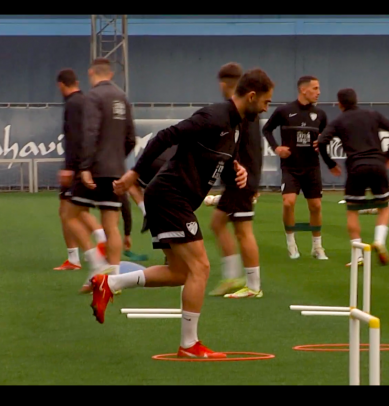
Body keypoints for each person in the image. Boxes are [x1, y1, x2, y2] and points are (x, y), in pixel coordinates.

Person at [91, 68, 275, 358]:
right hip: (169, 195)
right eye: (266, 101)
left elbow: (221, 156)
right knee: (200, 268)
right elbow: (165, 136)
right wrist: (135, 172)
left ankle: (110, 283)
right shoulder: (214, 116)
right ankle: (189, 345)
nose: (267, 107)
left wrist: (236, 169)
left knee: (180, 272)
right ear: (252, 96)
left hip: (175, 199)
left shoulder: (236, 125)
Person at [64, 58, 136, 292]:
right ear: (112, 74)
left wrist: (85, 167)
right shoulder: (123, 97)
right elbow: (131, 138)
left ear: (91, 72)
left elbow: (90, 133)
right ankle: (112, 281)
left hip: (95, 169)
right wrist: (117, 160)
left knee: (70, 214)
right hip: (115, 169)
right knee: (111, 225)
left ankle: (96, 266)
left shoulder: (93, 97)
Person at [316, 88, 389, 265]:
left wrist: (330, 164)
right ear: (357, 99)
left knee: (352, 211)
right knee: (384, 207)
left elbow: (322, 141)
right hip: (378, 164)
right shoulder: (372, 114)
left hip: (356, 167)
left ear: (340, 104)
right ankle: (379, 241)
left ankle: (358, 255)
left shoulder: (339, 121)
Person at [208, 62, 263, 299]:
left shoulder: (241, 111)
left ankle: (253, 286)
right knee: (217, 223)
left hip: (241, 179)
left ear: (224, 84)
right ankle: (232, 277)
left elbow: (244, 148)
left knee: (243, 232)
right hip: (238, 179)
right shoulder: (240, 109)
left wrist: (250, 181)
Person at [262, 75, 329, 260]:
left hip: (312, 167)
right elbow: (266, 129)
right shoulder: (284, 111)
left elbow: (326, 134)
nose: (318, 92)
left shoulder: (320, 114)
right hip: (290, 167)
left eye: (318, 88)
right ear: (303, 90)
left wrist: (322, 141)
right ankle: (291, 244)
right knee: (288, 202)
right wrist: (276, 148)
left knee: (315, 206)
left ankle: (317, 247)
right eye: (315, 88)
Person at [54, 68, 107, 271]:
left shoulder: (73, 104)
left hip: (76, 166)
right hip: (87, 164)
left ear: (61, 85)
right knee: (79, 210)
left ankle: (78, 258)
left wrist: (70, 168)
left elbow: (75, 137)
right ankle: (100, 240)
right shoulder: (86, 100)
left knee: (67, 212)